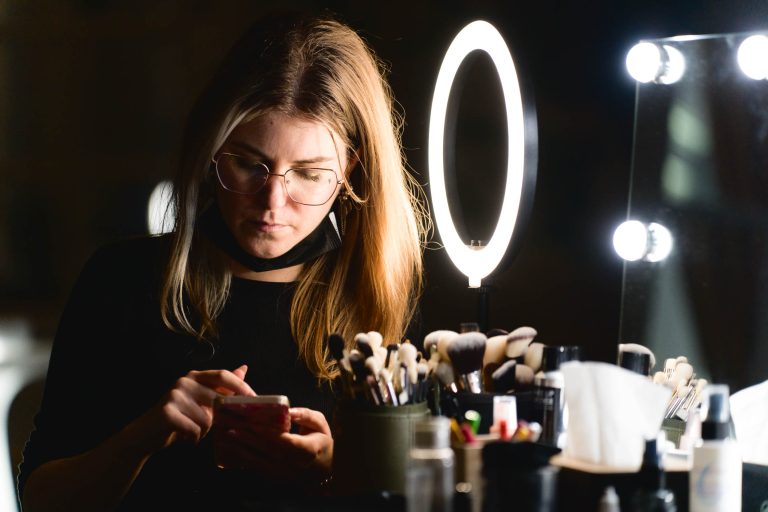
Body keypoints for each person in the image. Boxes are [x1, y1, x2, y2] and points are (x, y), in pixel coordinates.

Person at [18, 11, 428, 511]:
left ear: (350, 170)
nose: (272, 203)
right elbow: (40, 501)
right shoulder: (119, 280)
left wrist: (333, 470)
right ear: (212, 149)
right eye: (249, 163)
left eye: (308, 173)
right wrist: (139, 439)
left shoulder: (373, 296)